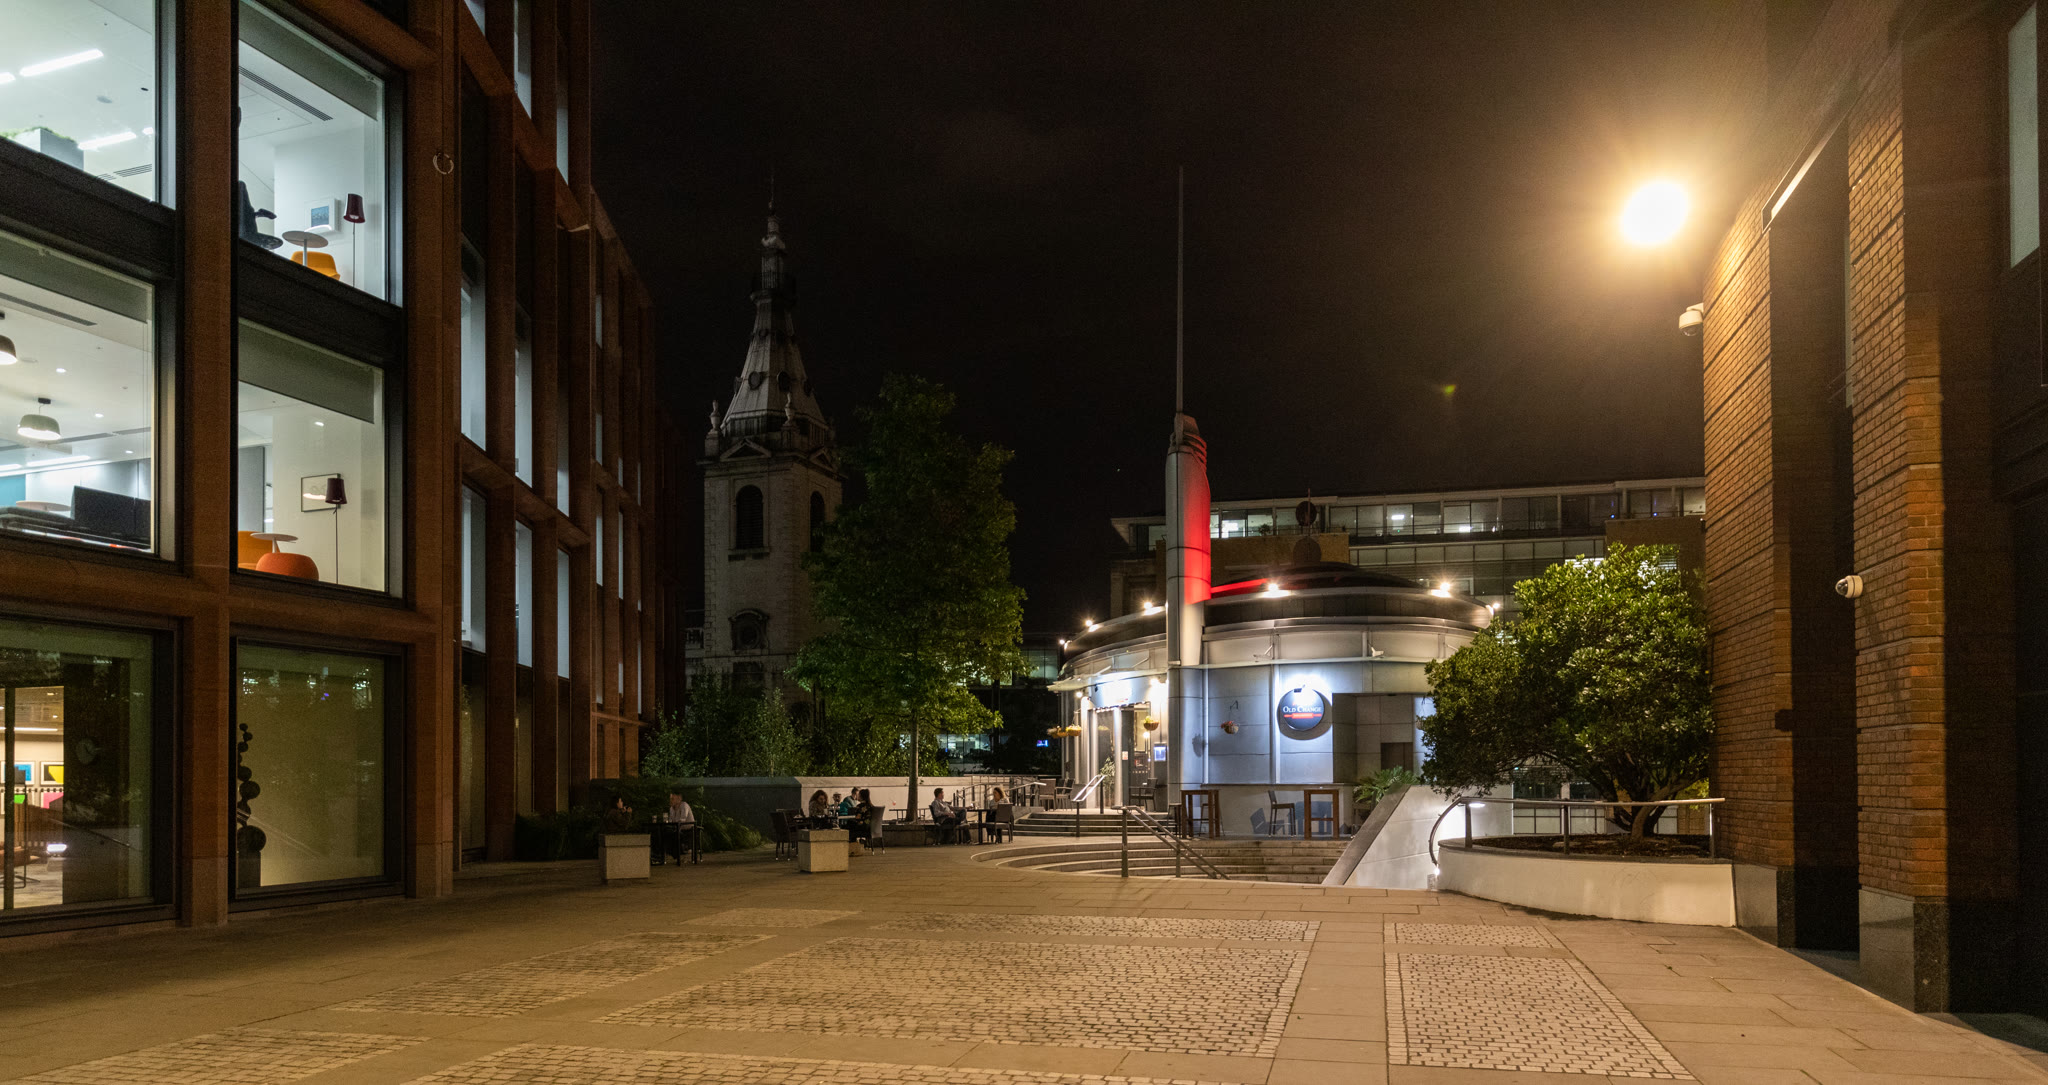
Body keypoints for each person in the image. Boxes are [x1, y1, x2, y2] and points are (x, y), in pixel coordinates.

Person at [659, 792, 697, 865]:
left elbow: (683, 819)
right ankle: (662, 856)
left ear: (679, 798)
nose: (670, 801)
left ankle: (678, 854)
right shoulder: (671, 809)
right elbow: (670, 820)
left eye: (672, 799)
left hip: (688, 830)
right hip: (678, 829)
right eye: (670, 799)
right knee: (664, 833)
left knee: (672, 835)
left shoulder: (684, 805)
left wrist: (673, 824)